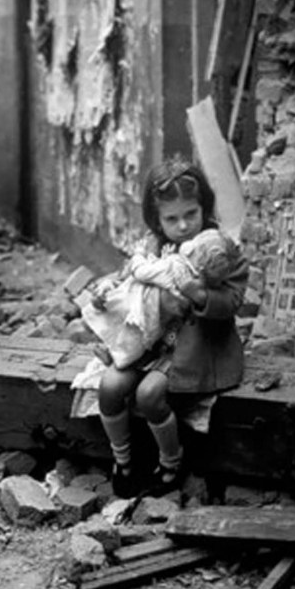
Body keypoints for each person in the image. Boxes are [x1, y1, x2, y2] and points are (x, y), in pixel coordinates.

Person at [95, 157, 248, 499]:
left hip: (195, 346)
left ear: (203, 207)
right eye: (171, 218)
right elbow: (128, 276)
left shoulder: (218, 247)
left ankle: (171, 463)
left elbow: (234, 299)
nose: (183, 226)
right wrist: (106, 290)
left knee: (148, 395)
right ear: (157, 219)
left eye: (190, 214)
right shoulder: (151, 246)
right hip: (148, 340)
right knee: (109, 387)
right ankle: (124, 460)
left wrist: (200, 294)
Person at [81, 226, 239, 370]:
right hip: (157, 325)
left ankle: (104, 344)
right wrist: (166, 258)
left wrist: (138, 253)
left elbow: (141, 272)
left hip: (139, 306)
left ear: (193, 252)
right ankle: (113, 354)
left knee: (107, 315)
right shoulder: (196, 282)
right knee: (132, 343)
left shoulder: (174, 268)